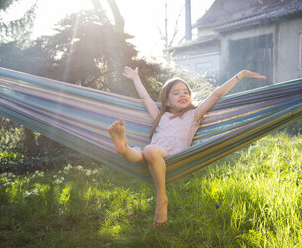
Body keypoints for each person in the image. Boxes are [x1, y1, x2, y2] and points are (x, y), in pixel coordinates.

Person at [109, 66, 266, 228]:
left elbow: (216, 94)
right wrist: (136, 78)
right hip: (152, 155)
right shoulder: (160, 116)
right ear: (167, 102)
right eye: (176, 93)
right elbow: (145, 97)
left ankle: (161, 197)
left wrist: (240, 75)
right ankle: (123, 147)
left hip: (174, 156)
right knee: (138, 152)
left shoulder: (193, 115)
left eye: (185, 92)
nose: (182, 94)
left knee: (148, 150)